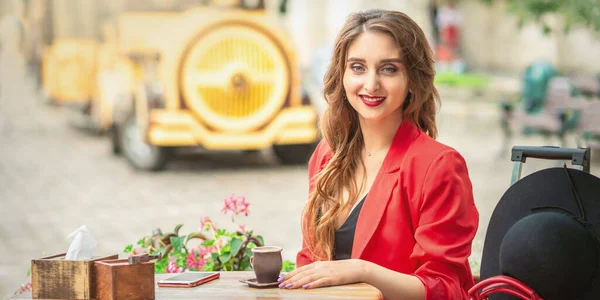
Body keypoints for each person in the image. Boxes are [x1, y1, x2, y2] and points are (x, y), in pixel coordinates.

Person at [278, 9, 479, 300]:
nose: (371, 84)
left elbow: (444, 288)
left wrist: (363, 271)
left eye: (389, 69)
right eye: (358, 67)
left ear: (412, 79)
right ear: (342, 74)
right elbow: (311, 263)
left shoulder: (439, 166)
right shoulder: (327, 155)